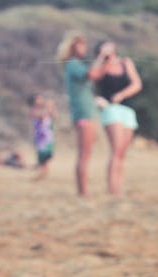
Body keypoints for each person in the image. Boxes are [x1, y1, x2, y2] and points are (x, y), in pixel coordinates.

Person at [89, 40, 142, 196]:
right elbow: (92, 76)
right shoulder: (101, 66)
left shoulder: (125, 62)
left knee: (122, 152)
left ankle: (118, 187)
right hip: (111, 110)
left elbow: (137, 84)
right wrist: (101, 59)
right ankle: (112, 189)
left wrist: (122, 95)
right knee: (116, 150)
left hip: (127, 109)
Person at [57, 30, 99, 197]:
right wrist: (102, 58)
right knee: (84, 153)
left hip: (85, 112)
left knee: (85, 153)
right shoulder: (73, 64)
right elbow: (92, 75)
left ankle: (83, 190)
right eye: (81, 43)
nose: (84, 47)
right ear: (72, 46)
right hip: (83, 113)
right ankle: (83, 191)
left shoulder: (74, 64)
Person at [28, 94, 58, 181]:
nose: (41, 100)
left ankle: (42, 172)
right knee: (42, 157)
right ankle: (42, 173)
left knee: (48, 156)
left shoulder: (44, 110)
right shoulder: (33, 111)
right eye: (38, 99)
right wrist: (49, 107)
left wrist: (52, 108)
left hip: (48, 138)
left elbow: (55, 117)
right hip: (41, 140)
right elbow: (41, 117)